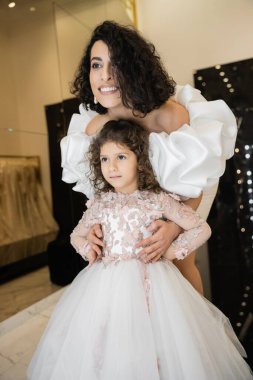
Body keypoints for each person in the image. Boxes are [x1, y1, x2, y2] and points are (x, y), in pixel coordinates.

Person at [28, 120, 252, 379]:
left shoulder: (158, 199)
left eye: (121, 157)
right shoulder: (100, 203)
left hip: (154, 283)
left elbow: (201, 229)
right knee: (109, 343)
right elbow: (76, 235)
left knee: (158, 341)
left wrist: (171, 252)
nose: (111, 167)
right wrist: (89, 250)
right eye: (104, 159)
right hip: (106, 283)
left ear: (140, 159)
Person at [60, 20, 238, 294]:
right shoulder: (95, 128)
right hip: (132, 208)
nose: (104, 76)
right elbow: (102, 188)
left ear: (134, 68)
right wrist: (96, 223)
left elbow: (197, 182)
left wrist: (174, 227)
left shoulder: (170, 115)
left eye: (115, 64)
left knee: (179, 262)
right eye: (96, 65)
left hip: (183, 195)